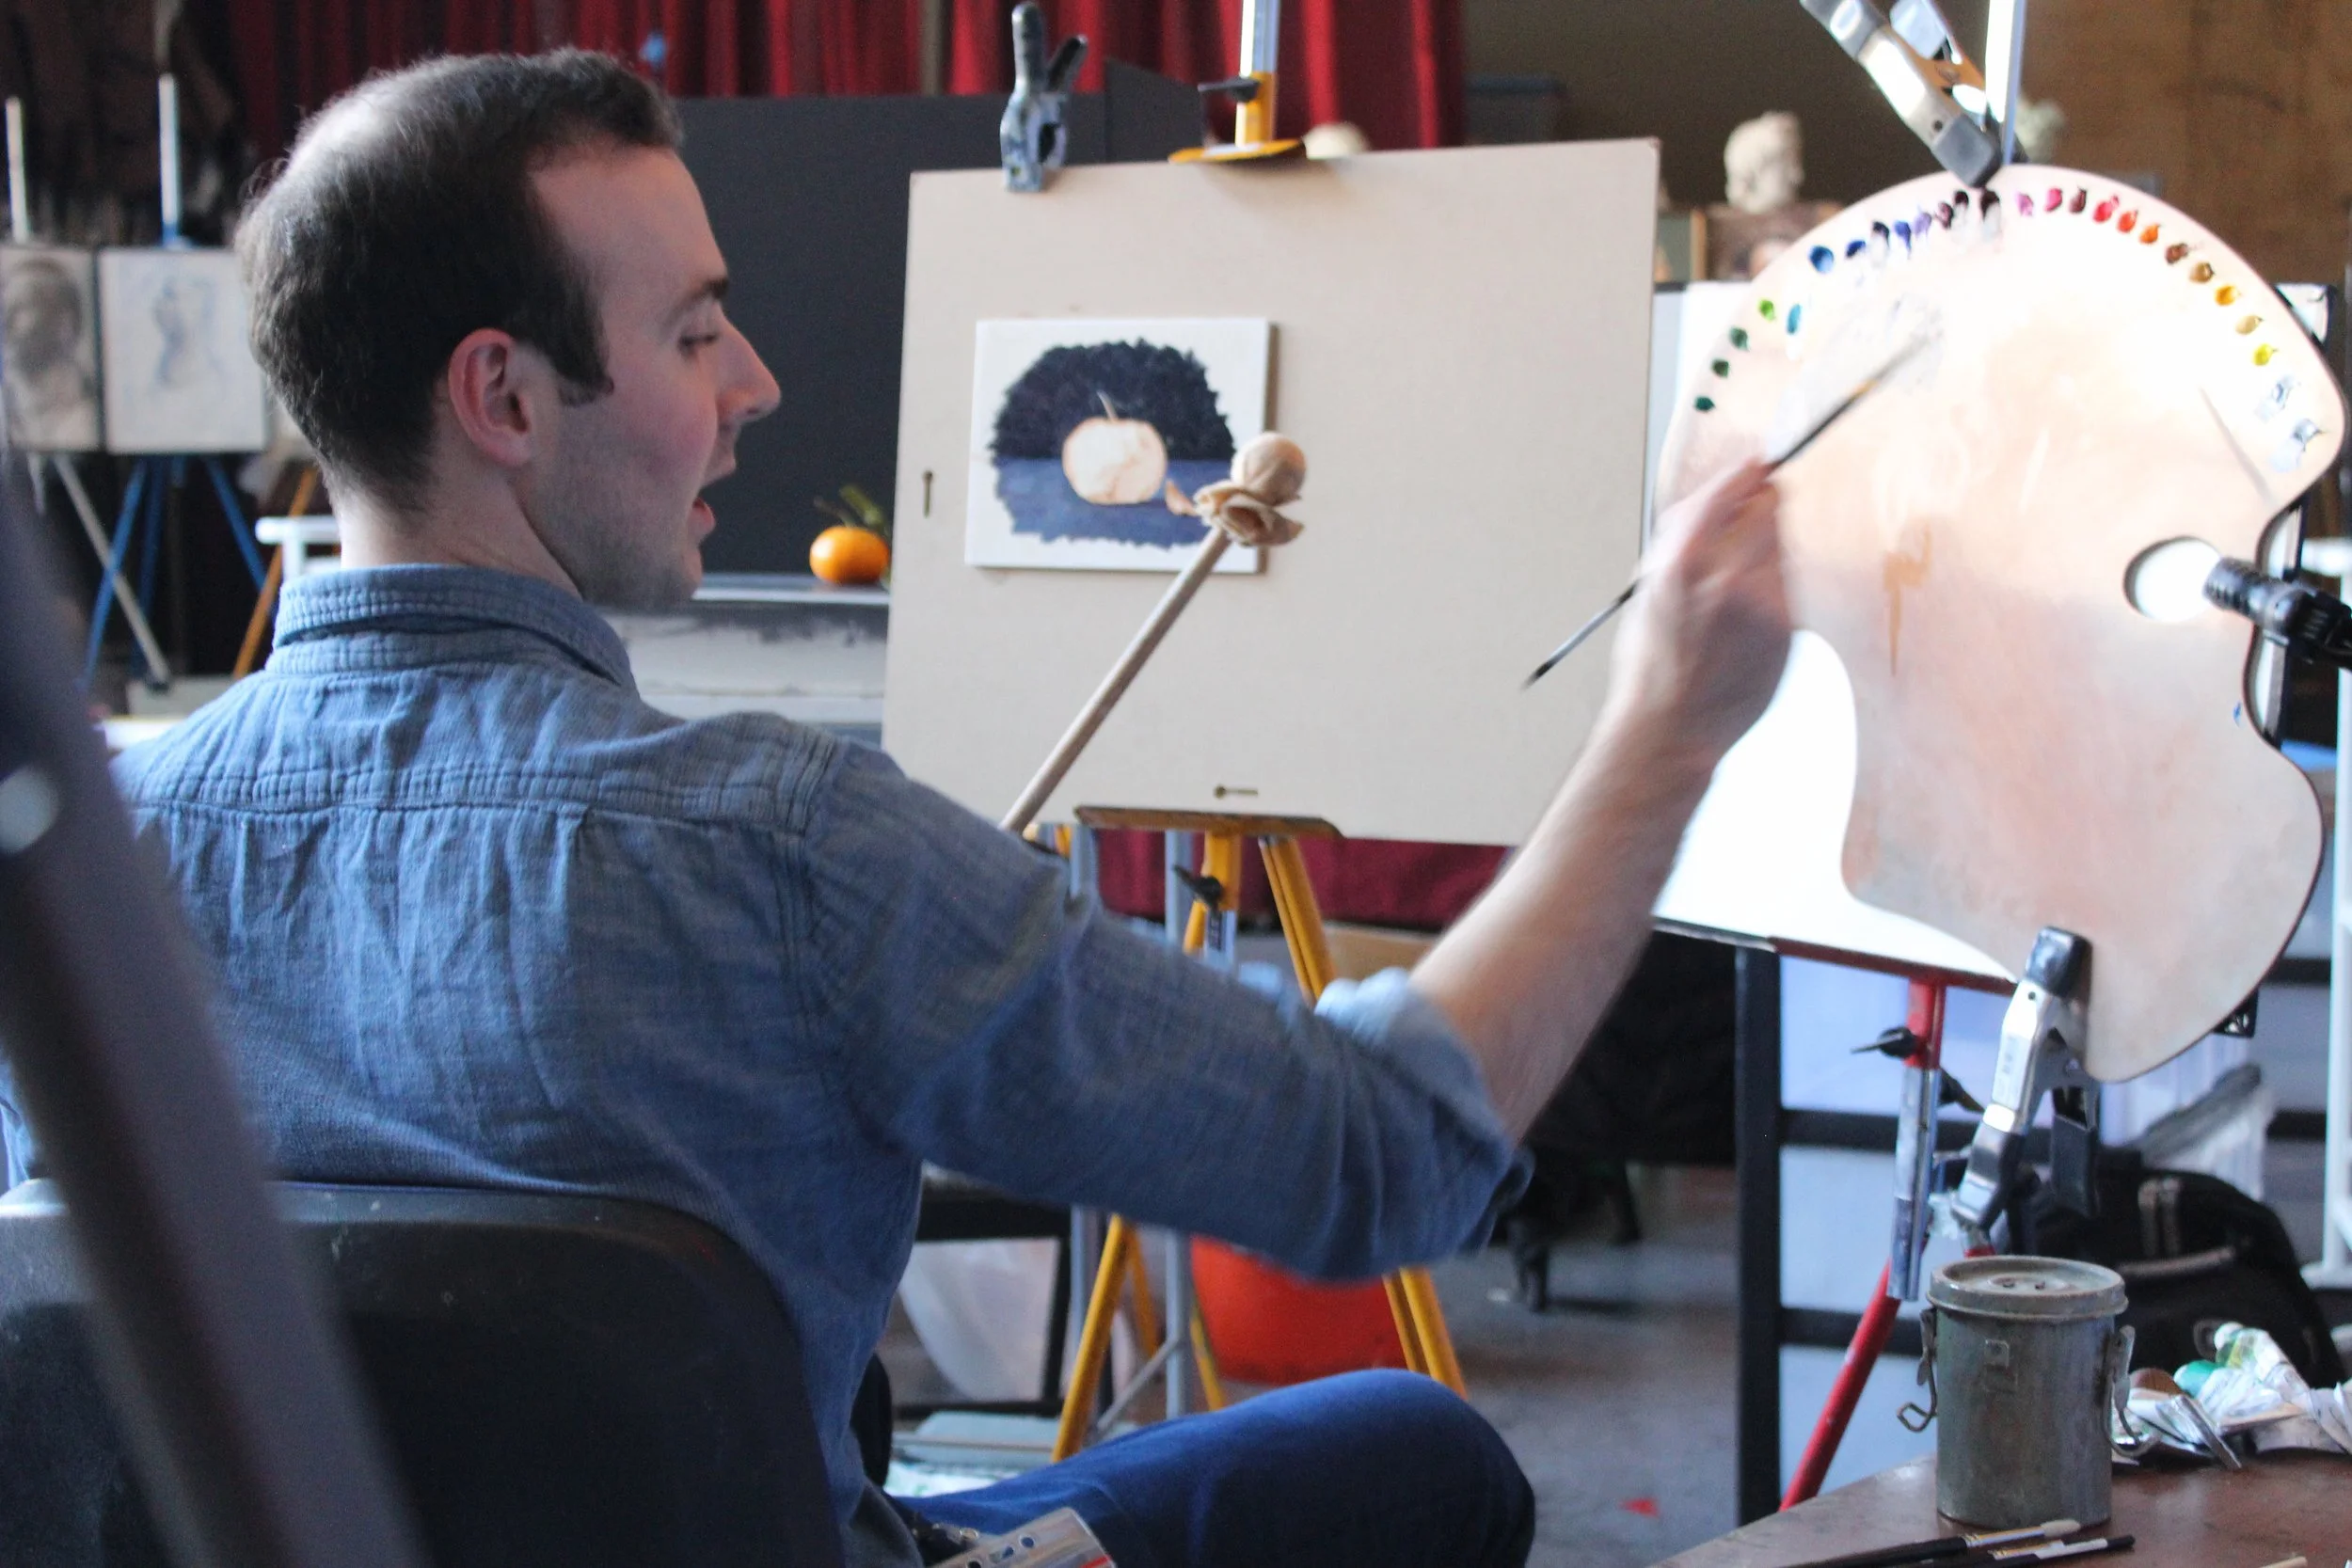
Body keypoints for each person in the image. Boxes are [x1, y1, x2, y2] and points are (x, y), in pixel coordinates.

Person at [4, 51, 1788, 1568]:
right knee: (1422, 1449)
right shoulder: (787, 848)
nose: (755, 383)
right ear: (505, 397)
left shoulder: (82, 874)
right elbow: (1375, 1155)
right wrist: (1666, 729)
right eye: (696, 330)